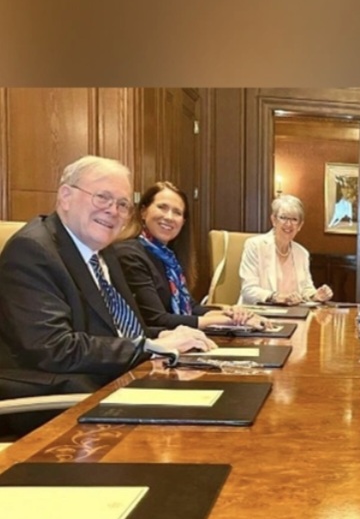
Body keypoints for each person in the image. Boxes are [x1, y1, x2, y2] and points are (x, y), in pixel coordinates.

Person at [0, 156, 215, 401]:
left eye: (123, 204)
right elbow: (55, 349)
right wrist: (150, 347)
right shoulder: (32, 251)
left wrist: (163, 337)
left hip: (120, 379)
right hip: (64, 398)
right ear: (66, 196)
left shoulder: (104, 251)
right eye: (102, 197)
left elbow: (120, 330)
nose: (113, 211)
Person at [116, 181, 258, 330]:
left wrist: (232, 314)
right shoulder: (129, 254)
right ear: (143, 211)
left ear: (183, 222)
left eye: (177, 212)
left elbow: (192, 307)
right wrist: (229, 321)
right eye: (162, 207)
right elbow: (156, 319)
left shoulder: (168, 258)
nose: (169, 217)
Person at [239, 194, 333, 305]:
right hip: (259, 311)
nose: (288, 224)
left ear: (300, 225)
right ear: (274, 220)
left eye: (294, 219)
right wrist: (275, 297)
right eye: (283, 218)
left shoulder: (302, 253)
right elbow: (248, 289)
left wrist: (315, 295)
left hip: (293, 312)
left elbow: (306, 289)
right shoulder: (255, 246)